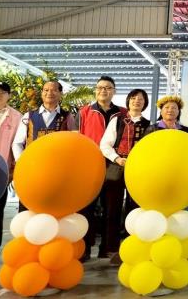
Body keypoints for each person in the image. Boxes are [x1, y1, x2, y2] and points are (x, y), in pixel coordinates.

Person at [77, 75, 126, 261]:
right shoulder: (84, 112)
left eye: (107, 88)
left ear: (114, 91)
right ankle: (84, 248)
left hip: (114, 166)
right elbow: (77, 139)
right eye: (100, 87)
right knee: (86, 208)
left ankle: (109, 248)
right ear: (95, 90)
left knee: (112, 208)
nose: (103, 91)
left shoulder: (122, 113)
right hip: (89, 165)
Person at [99, 89, 150, 264]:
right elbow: (105, 145)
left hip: (137, 170)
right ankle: (110, 248)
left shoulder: (149, 125)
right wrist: (117, 158)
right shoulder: (117, 120)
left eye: (141, 99)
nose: (137, 101)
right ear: (128, 101)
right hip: (116, 166)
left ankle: (131, 246)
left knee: (134, 209)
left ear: (145, 103)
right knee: (111, 208)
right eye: (134, 98)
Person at [0, 81, 21, 251]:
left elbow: (18, 145)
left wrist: (13, 170)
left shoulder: (17, 117)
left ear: (9, 96)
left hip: (1, 174)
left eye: (3, 92)